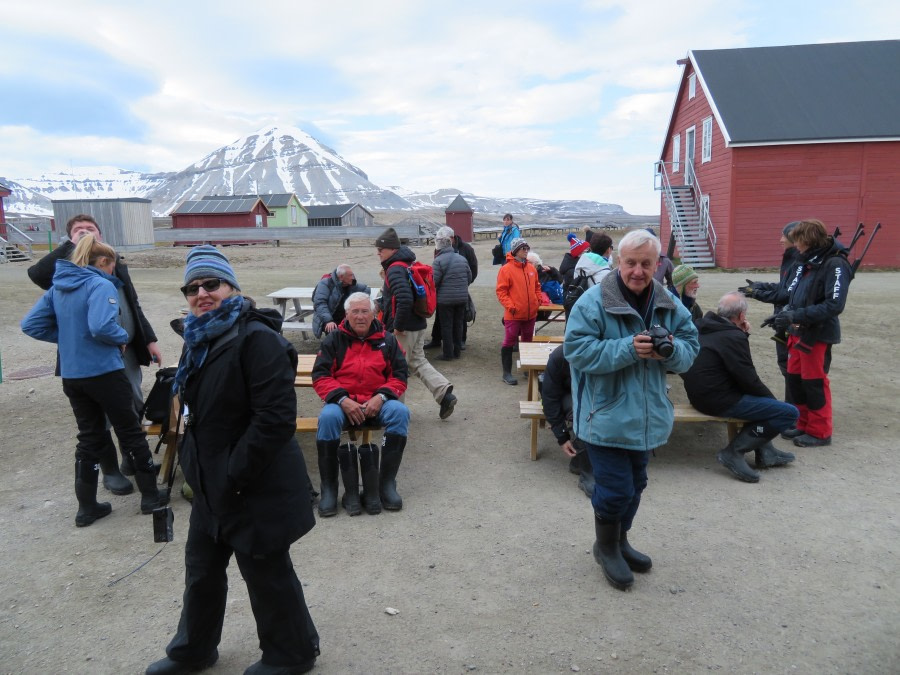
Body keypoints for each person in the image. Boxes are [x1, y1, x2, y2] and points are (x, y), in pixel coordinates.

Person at [146, 246, 319, 675]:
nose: (202, 293)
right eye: (193, 288)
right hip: (211, 484)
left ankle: (292, 655)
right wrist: (200, 470)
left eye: (212, 284)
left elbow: (275, 421)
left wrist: (232, 474)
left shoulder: (258, 340)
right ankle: (194, 650)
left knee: (266, 573)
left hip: (253, 484)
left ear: (232, 288)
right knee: (201, 570)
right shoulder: (197, 340)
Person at [565, 229, 699, 590]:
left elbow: (690, 346)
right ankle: (605, 547)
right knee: (615, 489)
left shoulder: (668, 301)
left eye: (646, 264)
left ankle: (619, 541)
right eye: (630, 263)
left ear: (658, 266)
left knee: (637, 483)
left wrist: (669, 351)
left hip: (647, 415)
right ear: (617, 262)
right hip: (603, 414)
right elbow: (576, 351)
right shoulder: (593, 303)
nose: (638, 271)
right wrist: (629, 348)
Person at [21, 235, 169, 527]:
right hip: (104, 372)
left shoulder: (58, 287)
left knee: (89, 436)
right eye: (113, 265)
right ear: (104, 262)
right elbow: (102, 326)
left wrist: (69, 339)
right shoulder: (100, 284)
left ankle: (87, 507)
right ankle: (150, 497)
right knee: (129, 430)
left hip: (73, 376)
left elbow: (31, 324)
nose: (114, 272)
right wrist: (121, 338)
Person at [681, 292, 798, 482]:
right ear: (742, 316)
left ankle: (766, 452)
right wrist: (772, 402)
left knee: (764, 405)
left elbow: (732, 363)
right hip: (718, 400)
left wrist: (742, 335)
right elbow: (748, 379)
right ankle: (733, 452)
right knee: (787, 413)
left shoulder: (703, 327)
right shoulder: (732, 336)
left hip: (699, 396)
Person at [312, 292, 410, 515]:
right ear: (346, 314)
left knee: (400, 412)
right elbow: (321, 376)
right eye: (354, 311)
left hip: (378, 402)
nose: (360, 316)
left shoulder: (388, 340)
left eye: (365, 311)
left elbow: (400, 375)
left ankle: (385, 484)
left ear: (373, 314)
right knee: (327, 418)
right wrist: (342, 399)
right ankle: (329, 488)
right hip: (343, 403)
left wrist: (382, 396)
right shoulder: (333, 339)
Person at [764, 219, 852, 447]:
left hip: (817, 334)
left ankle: (820, 431)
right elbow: (797, 295)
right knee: (795, 380)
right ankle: (802, 423)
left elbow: (835, 305)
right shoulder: (809, 261)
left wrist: (797, 315)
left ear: (806, 240)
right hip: (797, 332)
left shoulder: (834, 264)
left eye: (797, 240)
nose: (794, 245)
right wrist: (783, 315)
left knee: (814, 382)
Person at [375, 227, 458, 419]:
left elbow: (404, 299)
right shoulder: (405, 264)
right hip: (417, 324)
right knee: (417, 361)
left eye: (381, 249)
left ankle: (395, 412)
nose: (378, 252)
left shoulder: (395, 269)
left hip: (405, 329)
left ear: (392, 249)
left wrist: (397, 327)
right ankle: (444, 392)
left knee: (397, 368)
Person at [738, 221, 802, 401]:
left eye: (784, 236)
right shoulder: (792, 258)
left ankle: (795, 407)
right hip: (784, 319)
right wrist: (760, 286)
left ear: (794, 239)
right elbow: (784, 287)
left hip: (791, 320)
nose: (780, 239)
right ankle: (793, 404)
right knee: (786, 365)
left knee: (791, 367)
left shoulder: (798, 261)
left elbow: (786, 294)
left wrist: (757, 293)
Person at [540, 344, 594, 497]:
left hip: (592, 394)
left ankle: (579, 461)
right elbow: (549, 398)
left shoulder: (601, 351)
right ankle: (587, 474)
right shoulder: (559, 356)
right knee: (585, 413)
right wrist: (562, 436)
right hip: (566, 394)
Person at [495, 237, 542, 386]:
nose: (526, 251)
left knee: (528, 341)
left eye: (527, 248)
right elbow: (501, 292)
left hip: (530, 313)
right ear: (516, 251)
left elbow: (537, 287)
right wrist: (511, 306)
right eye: (523, 249)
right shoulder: (506, 269)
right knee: (509, 341)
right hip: (514, 314)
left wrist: (537, 300)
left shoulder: (531, 268)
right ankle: (506, 373)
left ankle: (528, 369)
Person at [425, 225, 478, 351]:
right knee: (444, 318)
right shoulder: (439, 250)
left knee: (457, 320)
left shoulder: (466, 248)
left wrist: (462, 284)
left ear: (452, 238)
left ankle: (459, 342)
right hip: (447, 292)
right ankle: (437, 339)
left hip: (455, 290)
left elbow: (473, 269)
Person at [311, 264, 370, 338]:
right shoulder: (325, 284)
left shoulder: (352, 284)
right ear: (341, 277)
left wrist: (361, 298)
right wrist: (329, 321)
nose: (353, 278)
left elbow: (365, 289)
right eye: (350, 275)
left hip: (346, 318)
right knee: (333, 331)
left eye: (352, 275)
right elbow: (319, 304)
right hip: (329, 317)